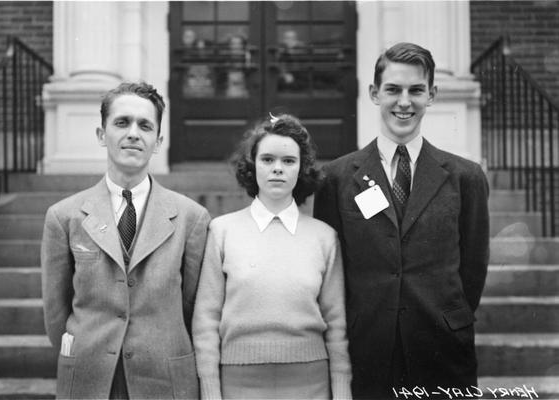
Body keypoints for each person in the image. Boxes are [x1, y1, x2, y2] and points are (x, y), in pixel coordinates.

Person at [313, 42, 490, 399]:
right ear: (375, 94)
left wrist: (444, 316)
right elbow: (332, 269)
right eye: (393, 89)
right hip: (368, 346)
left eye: (416, 90)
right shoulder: (336, 177)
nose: (404, 102)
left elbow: (473, 267)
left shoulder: (465, 177)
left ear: (432, 95)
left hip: (441, 345)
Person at [41, 81, 211, 399]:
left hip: (164, 376)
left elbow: (192, 304)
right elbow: (56, 309)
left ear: (158, 140)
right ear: (101, 135)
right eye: (122, 122)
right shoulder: (64, 216)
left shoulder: (192, 217)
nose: (133, 133)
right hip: (90, 375)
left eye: (145, 125)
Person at [192, 114, 352, 400]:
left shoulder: (323, 237)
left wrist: (341, 392)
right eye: (267, 159)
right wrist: (210, 391)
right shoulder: (222, 231)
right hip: (237, 382)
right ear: (252, 166)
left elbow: (337, 324)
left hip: (310, 381)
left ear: (302, 168)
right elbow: (206, 321)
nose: (277, 168)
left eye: (288, 161)